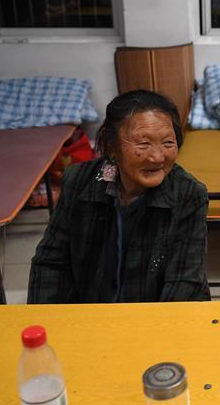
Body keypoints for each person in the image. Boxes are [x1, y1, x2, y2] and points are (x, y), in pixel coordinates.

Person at [28, 90, 210, 303]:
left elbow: (184, 282)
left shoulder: (188, 194)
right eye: (144, 144)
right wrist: (47, 318)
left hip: (157, 313)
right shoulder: (79, 181)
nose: (157, 157)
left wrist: (149, 324)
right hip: (91, 311)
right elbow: (51, 262)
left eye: (168, 143)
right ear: (111, 146)